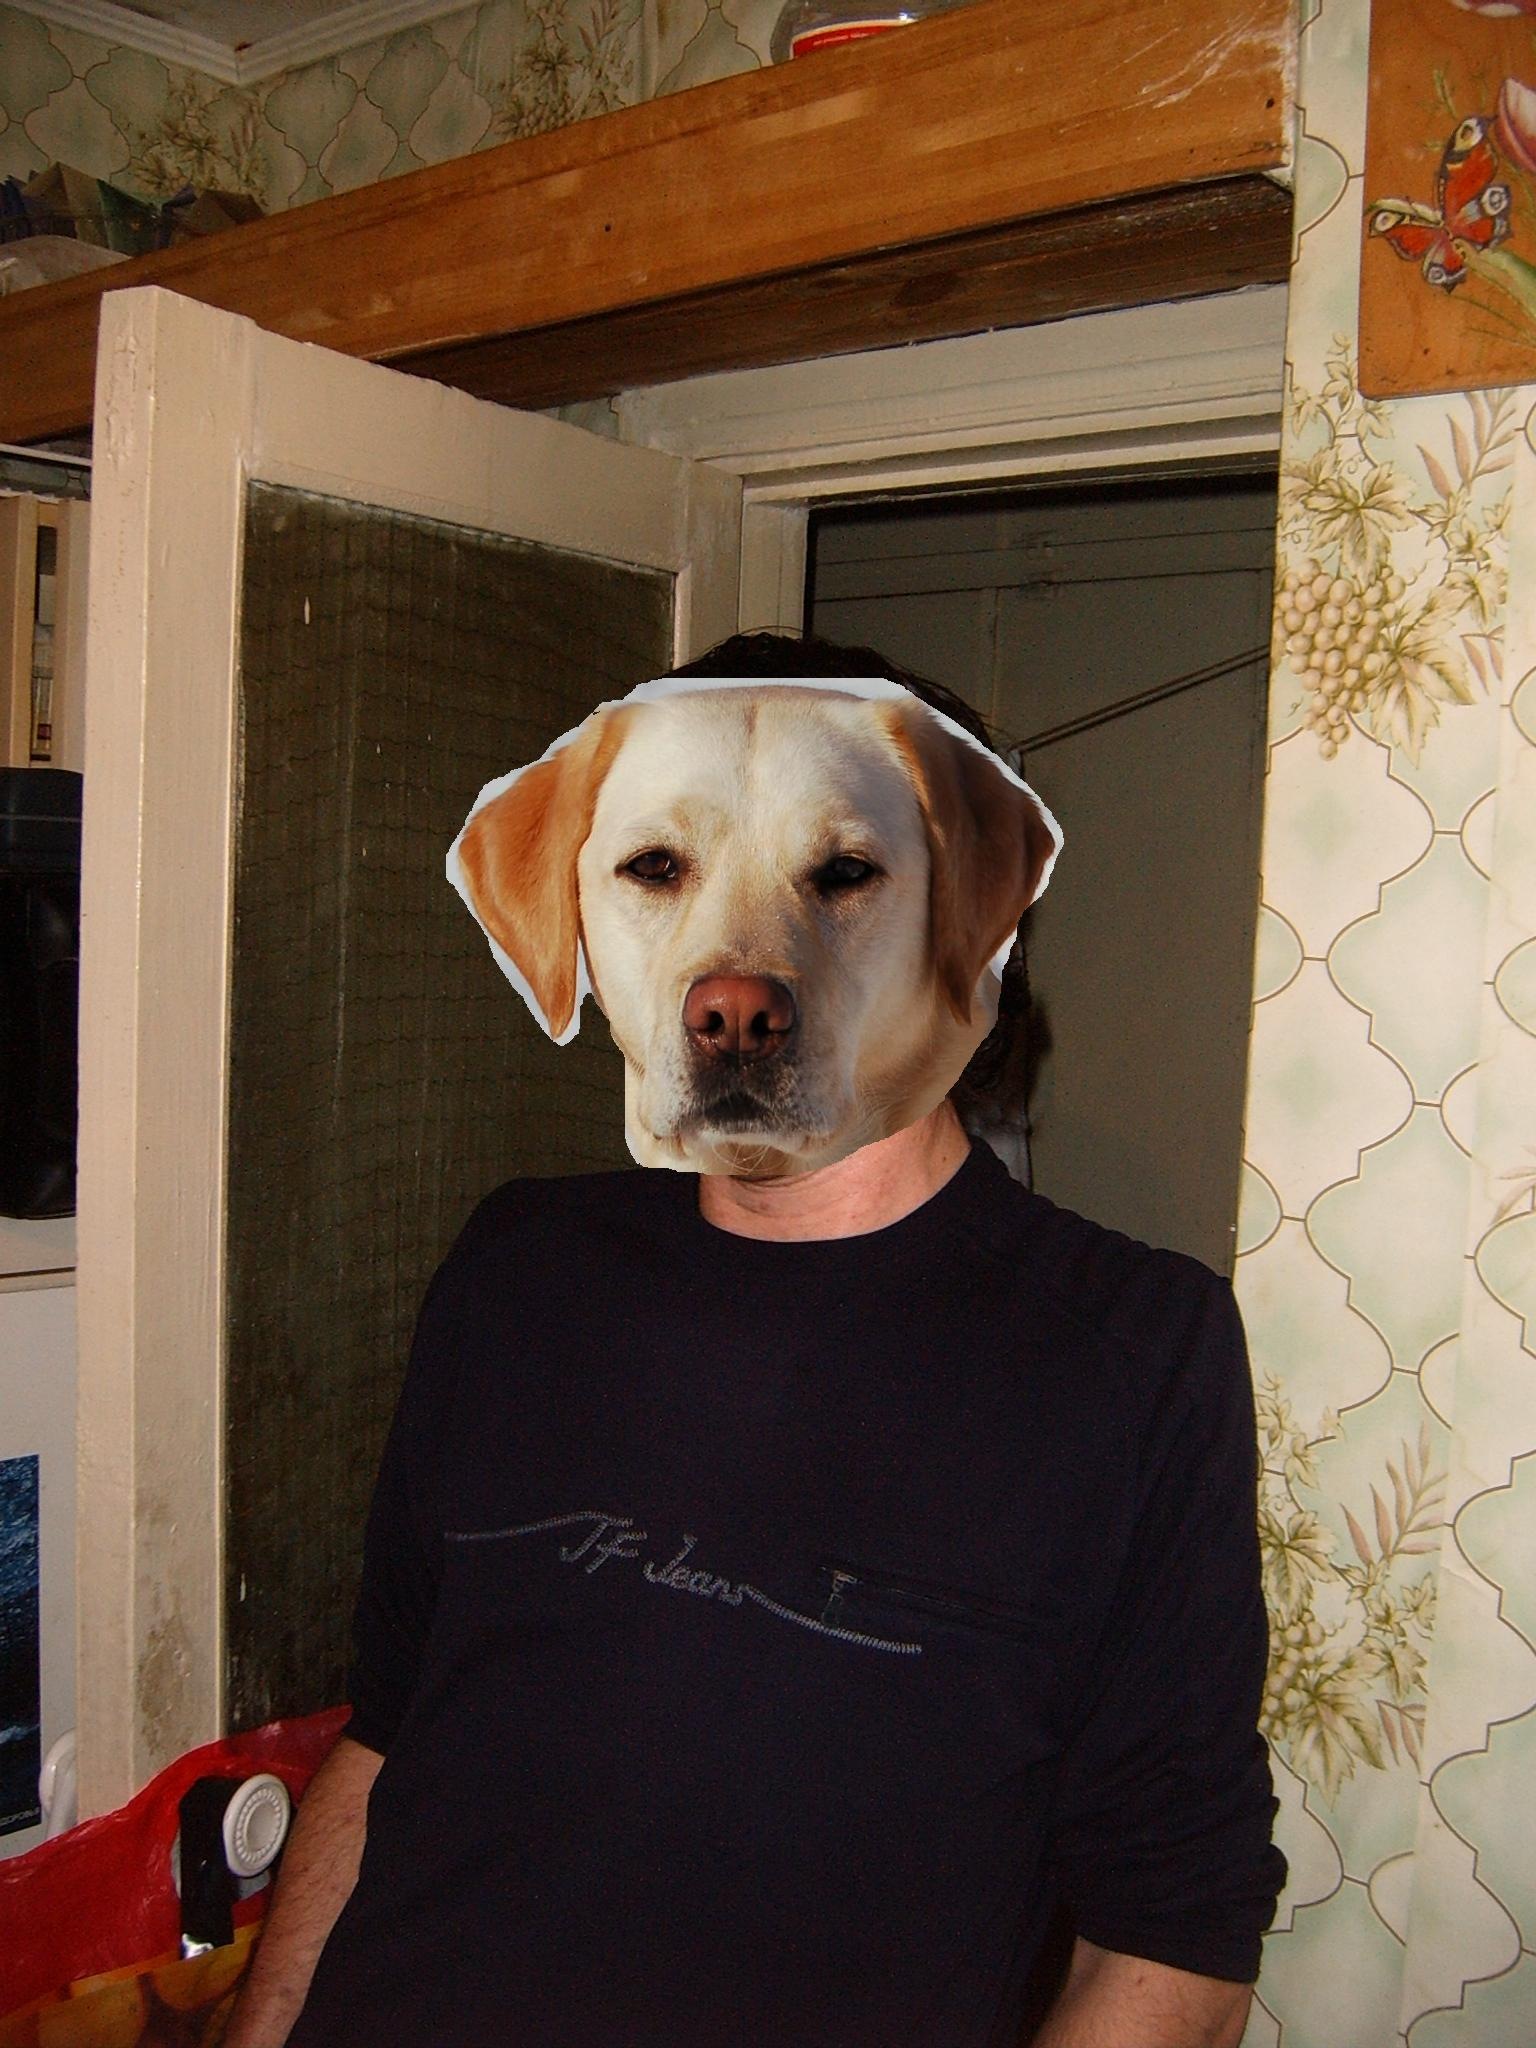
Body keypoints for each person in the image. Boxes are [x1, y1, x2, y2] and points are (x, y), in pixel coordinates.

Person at [225, 635, 1285, 2048]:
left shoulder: (1135, 1356)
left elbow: (1172, 1943)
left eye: (839, 874)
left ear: (967, 923)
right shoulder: (514, 1269)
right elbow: (387, 1740)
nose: (738, 985)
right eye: (660, 869)